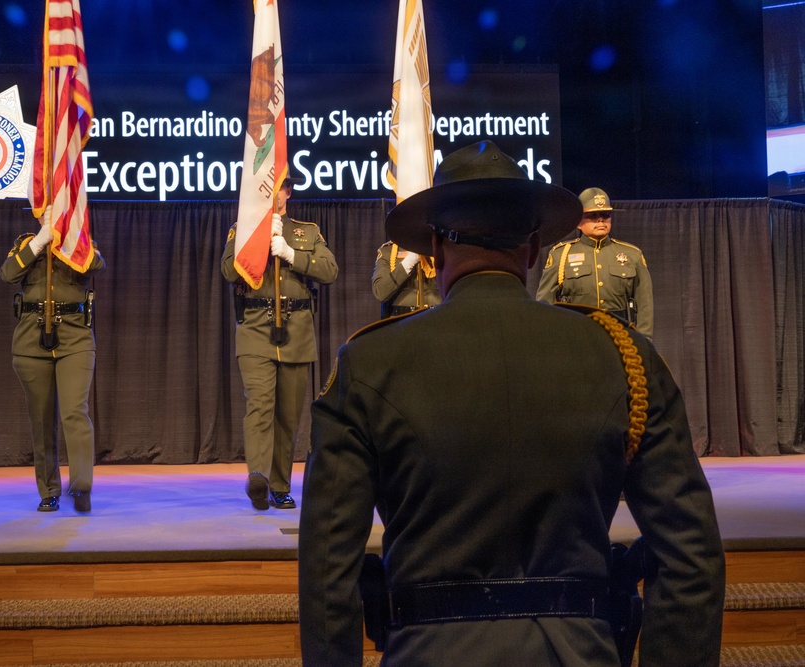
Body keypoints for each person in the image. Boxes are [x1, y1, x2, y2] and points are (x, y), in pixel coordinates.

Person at [298, 142, 725, 666]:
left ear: (433, 250)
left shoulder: (368, 363)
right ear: (532, 251)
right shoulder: (624, 355)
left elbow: (326, 568)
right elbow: (690, 554)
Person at [221, 178, 338, 510]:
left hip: (297, 330)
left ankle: (279, 485)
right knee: (259, 405)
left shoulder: (308, 232)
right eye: (268, 187)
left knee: (288, 414)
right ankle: (258, 476)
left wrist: (289, 254)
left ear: (288, 192)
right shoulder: (241, 229)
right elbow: (228, 270)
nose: (275, 194)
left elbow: (329, 270)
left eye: (281, 187)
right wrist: (257, 241)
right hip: (256, 327)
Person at [0, 209, 105, 512]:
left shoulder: (81, 241)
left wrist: (70, 240)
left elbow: (97, 264)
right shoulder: (25, 242)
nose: (51, 214)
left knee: (75, 412)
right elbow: (8, 274)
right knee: (42, 419)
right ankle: (49, 490)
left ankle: (81, 485)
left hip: (74, 337)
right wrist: (38, 244)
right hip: (32, 340)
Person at [536, 188, 654, 338]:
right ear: (578, 222)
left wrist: (644, 341)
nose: (600, 220)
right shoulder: (561, 255)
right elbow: (545, 302)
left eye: (606, 215)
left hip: (619, 336)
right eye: (592, 216)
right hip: (577, 336)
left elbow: (645, 304)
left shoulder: (632, 255)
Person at [371, 242, 441, 317]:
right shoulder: (388, 251)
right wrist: (408, 263)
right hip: (400, 321)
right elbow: (381, 292)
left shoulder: (442, 251)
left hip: (436, 318)